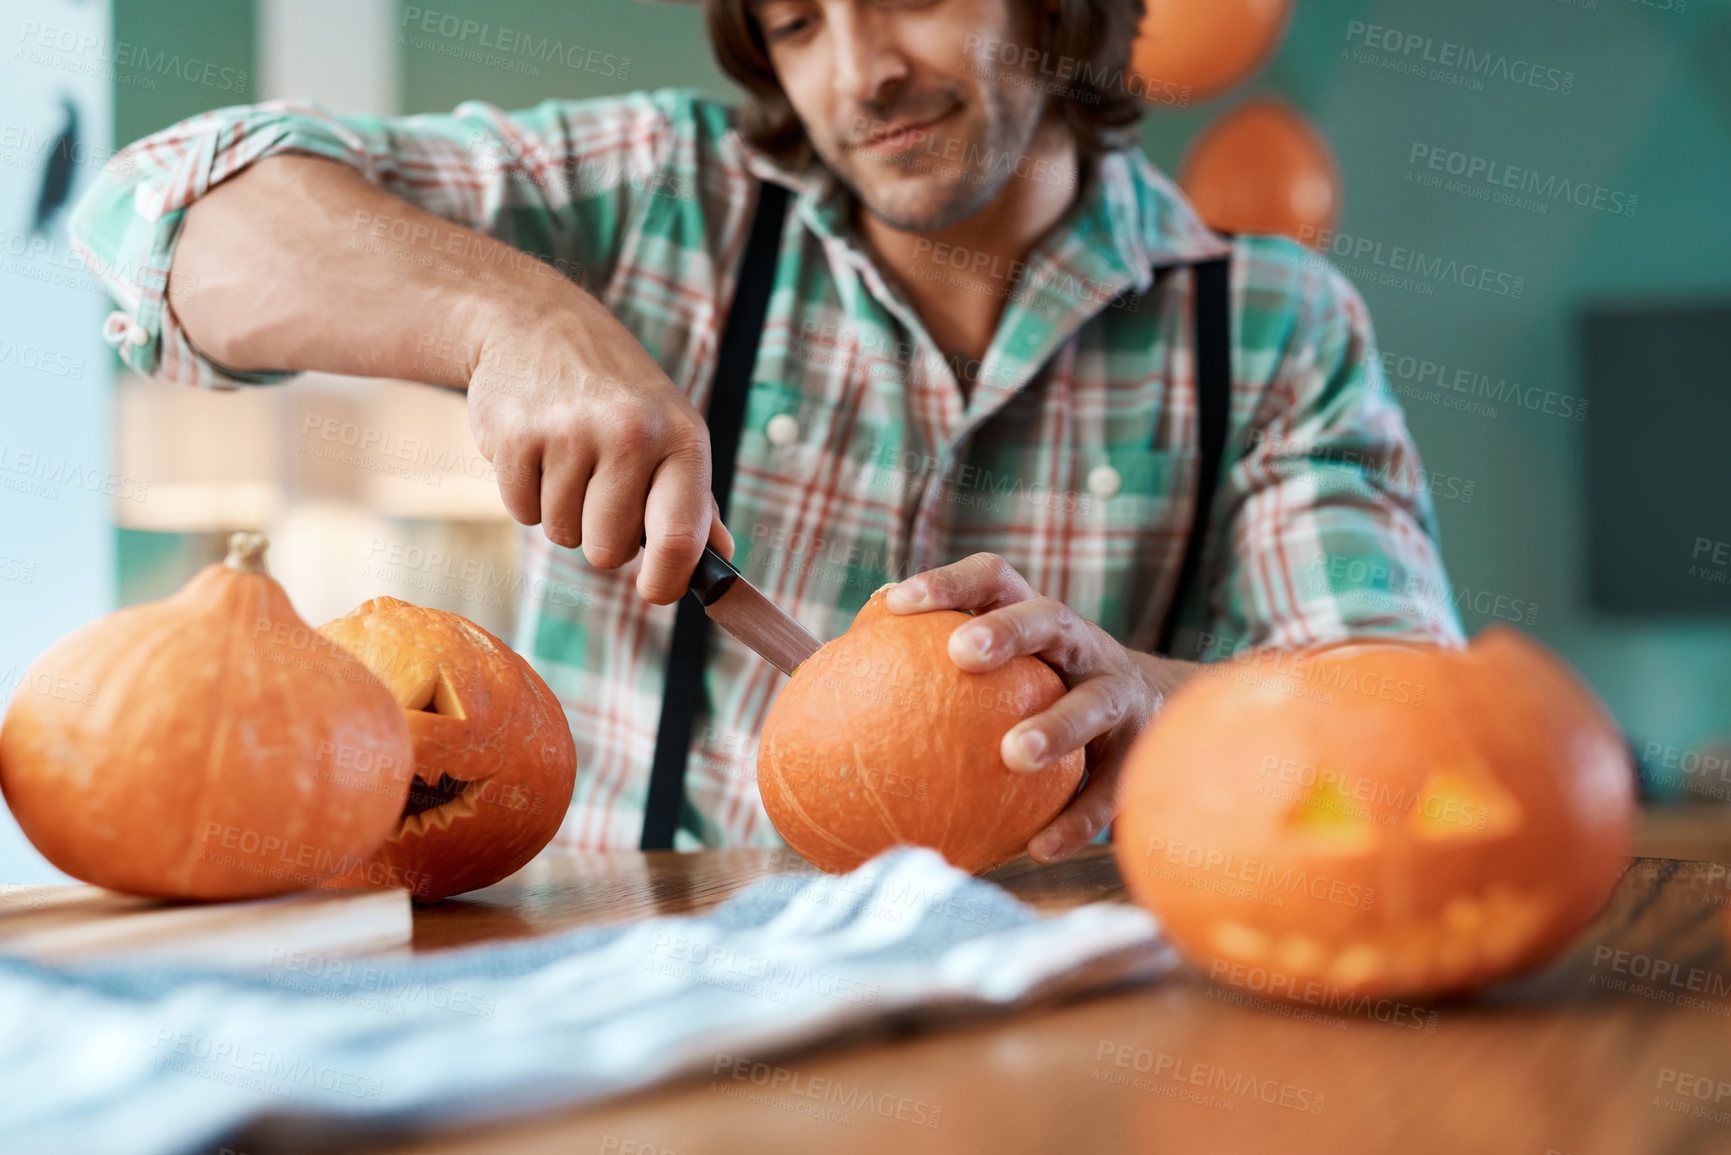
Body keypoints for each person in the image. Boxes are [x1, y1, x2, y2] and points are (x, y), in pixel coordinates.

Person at [70, 0, 1461, 864]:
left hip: (1053, 1021)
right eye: (797, 20)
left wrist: (1153, 703)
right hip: (622, 998)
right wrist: (513, 319)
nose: (857, 75)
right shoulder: (658, 188)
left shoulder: (1273, 323)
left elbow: (1418, 729)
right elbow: (158, 215)